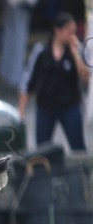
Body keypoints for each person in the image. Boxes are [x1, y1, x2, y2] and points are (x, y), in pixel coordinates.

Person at [19, 13, 89, 151]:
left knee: (78, 148)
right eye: (69, 32)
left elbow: (86, 77)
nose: (72, 36)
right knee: (42, 149)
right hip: (46, 106)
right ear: (58, 30)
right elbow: (28, 81)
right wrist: (21, 110)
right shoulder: (41, 51)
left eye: (74, 32)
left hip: (70, 106)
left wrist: (75, 53)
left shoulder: (75, 50)